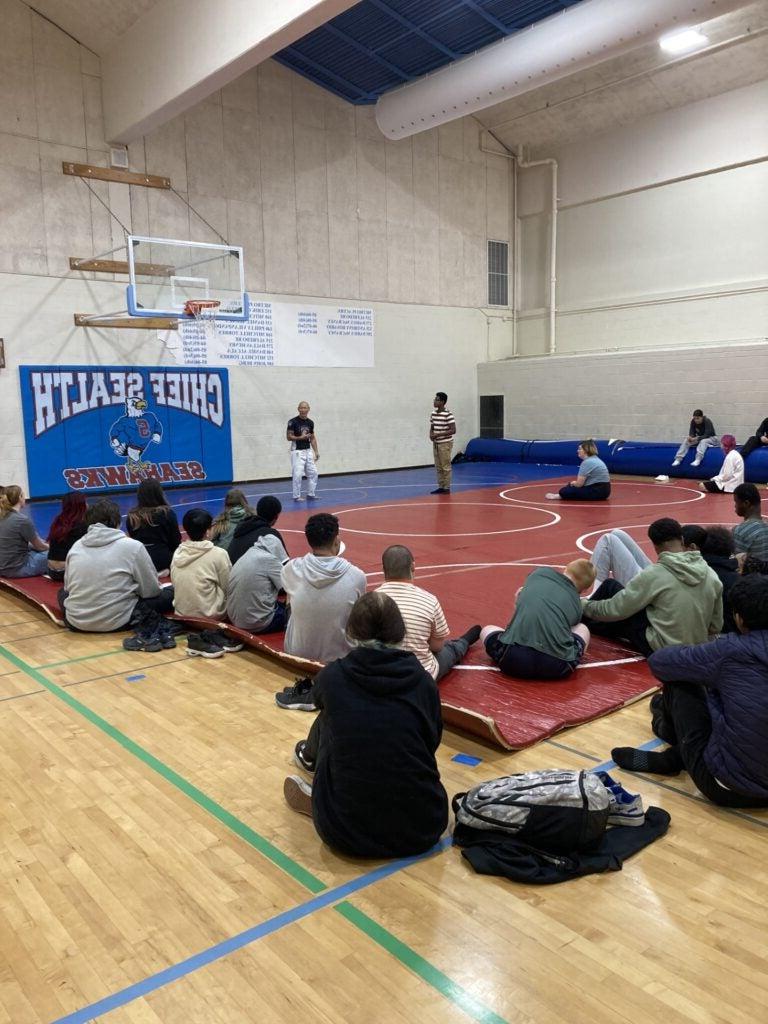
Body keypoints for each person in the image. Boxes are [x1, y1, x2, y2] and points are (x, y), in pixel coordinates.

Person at [283, 591, 449, 857]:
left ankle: (314, 780)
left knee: (332, 718)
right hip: (424, 827)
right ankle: (323, 786)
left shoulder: (332, 678)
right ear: (400, 632)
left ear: (351, 631)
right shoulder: (423, 682)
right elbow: (431, 744)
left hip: (346, 834)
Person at [611, 575, 768, 808]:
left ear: (738, 618)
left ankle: (673, 753)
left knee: (681, 680)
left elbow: (660, 662)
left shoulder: (730, 650)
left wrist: (701, 654)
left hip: (729, 787)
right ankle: (675, 744)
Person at [582, 518, 723, 655]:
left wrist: (583, 605)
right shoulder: (711, 575)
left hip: (662, 648)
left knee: (612, 591)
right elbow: (715, 626)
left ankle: (578, 615)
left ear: (655, 547)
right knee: (626, 599)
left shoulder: (654, 574)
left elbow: (615, 610)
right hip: (697, 647)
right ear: (682, 539)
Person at [276, 513, 366, 709]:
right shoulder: (357, 576)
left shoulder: (290, 569)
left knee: (292, 603)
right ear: (337, 540)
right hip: (339, 659)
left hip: (297, 653)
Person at [61, 499, 173, 632]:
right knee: (172, 592)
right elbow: (151, 591)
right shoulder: (133, 546)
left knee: (61, 593)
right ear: (117, 522)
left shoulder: (76, 546)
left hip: (76, 622)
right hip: (118, 621)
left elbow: (68, 588)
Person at [376, 545, 480, 680]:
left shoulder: (371, 601)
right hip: (420, 676)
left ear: (383, 570)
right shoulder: (429, 600)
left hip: (380, 674)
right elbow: (437, 647)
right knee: (449, 649)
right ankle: (463, 642)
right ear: (413, 567)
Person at [481, 560, 595, 680]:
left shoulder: (539, 573)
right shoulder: (577, 605)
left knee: (487, 630)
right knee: (582, 629)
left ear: (565, 569)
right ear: (585, 590)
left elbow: (522, 598)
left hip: (513, 660)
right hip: (556, 667)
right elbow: (566, 629)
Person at [170, 509, 231, 618]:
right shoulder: (219, 554)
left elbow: (175, 582)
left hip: (182, 614)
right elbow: (228, 587)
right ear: (207, 531)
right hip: (210, 616)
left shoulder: (178, 552)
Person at [226, 533, 289, 634]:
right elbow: (288, 585)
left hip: (235, 619)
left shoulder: (248, 554)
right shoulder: (269, 559)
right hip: (256, 623)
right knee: (293, 610)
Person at [126, 479, 181, 572]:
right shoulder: (166, 513)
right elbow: (175, 540)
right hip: (163, 558)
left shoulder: (132, 516)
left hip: (140, 559)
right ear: (159, 494)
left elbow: (133, 540)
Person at [0, 485, 48, 578]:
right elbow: (40, 547)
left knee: (33, 548)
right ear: (20, 498)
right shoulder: (22, 520)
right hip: (15, 569)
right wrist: (52, 548)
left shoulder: (3, 516)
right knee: (55, 555)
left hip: (4, 566)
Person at [227, 495, 287, 565]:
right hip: (250, 573)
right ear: (276, 516)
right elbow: (285, 566)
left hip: (231, 572)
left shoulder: (241, 528)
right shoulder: (271, 535)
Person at [546, 440, 610, 502]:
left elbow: (579, 484)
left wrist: (573, 483)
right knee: (571, 487)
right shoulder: (595, 459)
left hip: (598, 492)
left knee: (564, 491)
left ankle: (561, 496)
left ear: (586, 450)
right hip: (605, 491)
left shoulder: (587, 462)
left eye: (580, 449)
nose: (577, 451)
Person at [46, 492, 89, 581]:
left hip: (51, 570)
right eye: (85, 502)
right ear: (80, 505)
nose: (87, 504)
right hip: (67, 572)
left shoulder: (58, 520)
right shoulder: (82, 526)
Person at [287, 401, 318, 502]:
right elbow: (288, 437)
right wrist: (301, 437)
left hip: (308, 450)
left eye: (305, 408)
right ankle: (296, 496)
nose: (303, 410)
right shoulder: (292, 422)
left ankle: (311, 494)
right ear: (298, 409)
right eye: (301, 408)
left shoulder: (310, 422)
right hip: (297, 451)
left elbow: (312, 438)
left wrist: (316, 452)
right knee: (297, 474)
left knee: (313, 473)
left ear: (309, 409)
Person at [732, 483, 768, 560]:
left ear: (746, 503)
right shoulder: (766, 527)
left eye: (736, 502)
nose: (735, 505)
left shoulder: (739, 531)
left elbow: (736, 563)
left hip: (751, 571)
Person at [430, 392, 456, 495]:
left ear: (442, 402)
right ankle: (441, 487)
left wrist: (438, 435)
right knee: (438, 466)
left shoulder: (448, 414)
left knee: (445, 466)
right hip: (436, 444)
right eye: (434, 399)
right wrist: (431, 435)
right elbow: (432, 427)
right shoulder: (433, 414)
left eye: (436, 399)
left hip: (445, 444)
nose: (434, 401)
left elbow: (453, 430)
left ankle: (446, 488)